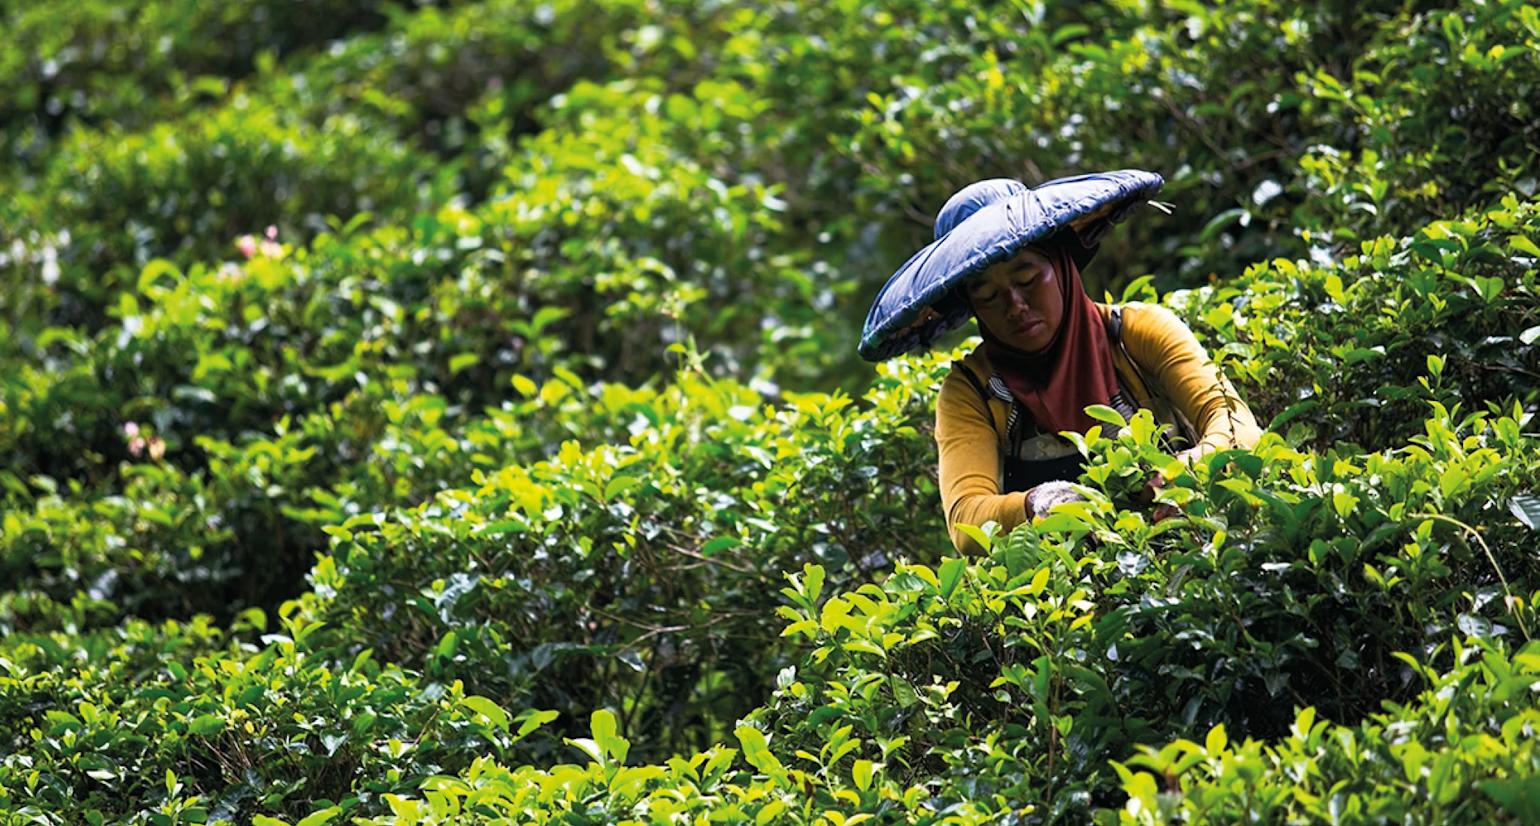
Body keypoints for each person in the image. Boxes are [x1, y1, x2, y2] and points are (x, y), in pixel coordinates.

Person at [858, 171, 1264, 554]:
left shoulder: (1137, 332)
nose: (1015, 306)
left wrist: (1187, 470)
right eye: (989, 296)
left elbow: (1237, 427)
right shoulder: (973, 390)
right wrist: (1038, 504)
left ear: (1061, 265)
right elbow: (967, 519)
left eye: (1027, 278)